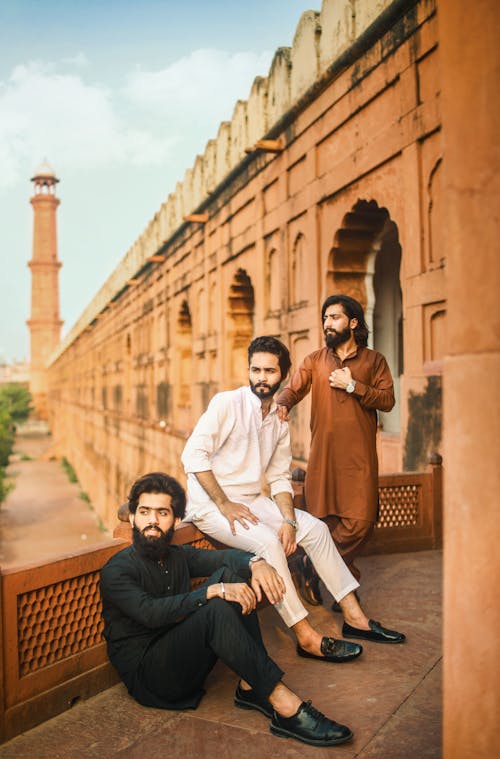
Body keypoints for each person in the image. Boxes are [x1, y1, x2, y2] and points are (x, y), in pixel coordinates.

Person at [181, 335, 404, 648]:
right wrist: (224, 503)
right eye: (255, 370)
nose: (261, 378)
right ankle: (306, 635)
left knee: (314, 529)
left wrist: (289, 520)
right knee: (270, 544)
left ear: (283, 375)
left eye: (269, 371)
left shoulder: (278, 421)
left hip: (252, 502)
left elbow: (280, 478)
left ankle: (355, 618)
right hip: (210, 506)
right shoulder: (227, 404)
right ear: (248, 370)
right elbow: (192, 456)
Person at [100, 472, 353, 747]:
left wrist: (256, 562)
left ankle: (251, 684)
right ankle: (283, 702)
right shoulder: (117, 569)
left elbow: (224, 557)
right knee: (215, 605)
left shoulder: (176, 555)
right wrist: (211, 591)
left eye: (162, 513)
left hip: (182, 658)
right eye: (144, 512)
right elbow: (150, 613)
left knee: (230, 575)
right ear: (134, 518)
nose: (152, 520)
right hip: (151, 678)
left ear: (175, 520)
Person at [276, 294, 395, 605]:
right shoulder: (315, 360)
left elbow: (387, 400)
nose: (327, 324)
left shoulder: (374, 361)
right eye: (325, 318)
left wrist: (354, 386)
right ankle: (346, 592)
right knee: (325, 522)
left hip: (359, 461)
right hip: (324, 459)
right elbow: (293, 388)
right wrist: (282, 405)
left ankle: (309, 566)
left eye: (334, 317)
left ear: (353, 323)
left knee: (362, 522)